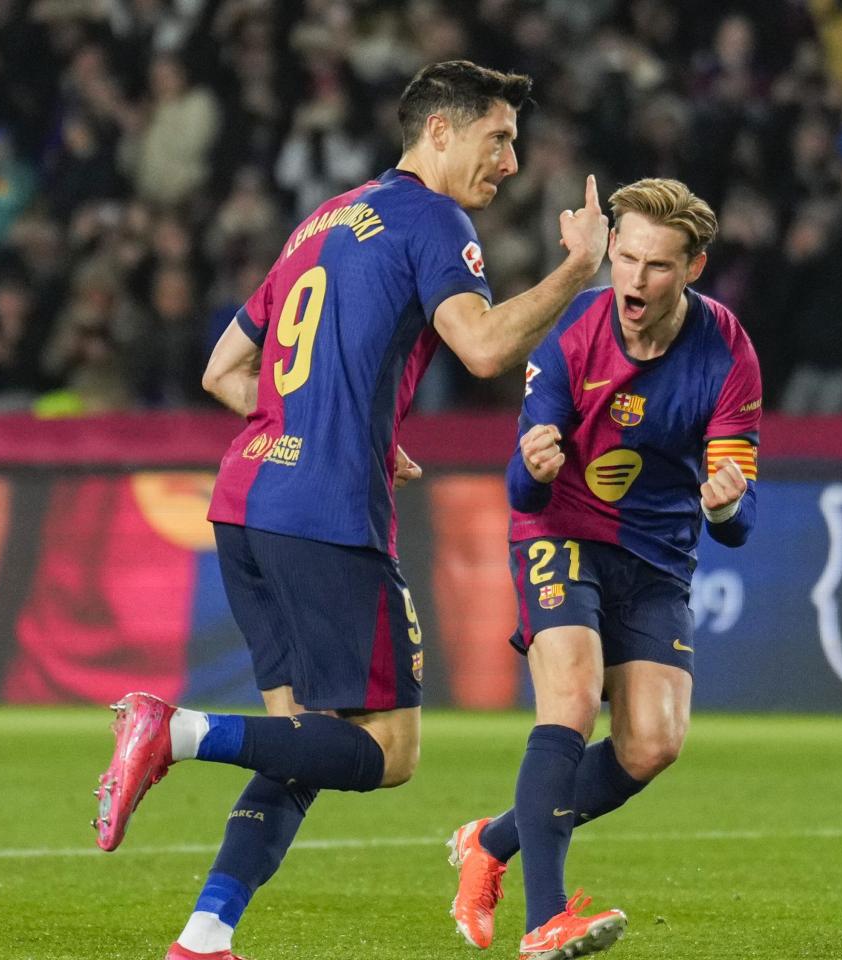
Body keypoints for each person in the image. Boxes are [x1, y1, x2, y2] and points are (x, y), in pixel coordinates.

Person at [90, 60, 611, 960]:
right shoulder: (431, 219)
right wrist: (579, 270)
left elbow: (224, 370)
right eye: (500, 139)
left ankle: (204, 937)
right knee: (388, 753)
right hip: (325, 512)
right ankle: (176, 728)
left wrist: (335, 422)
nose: (512, 163)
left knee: (305, 744)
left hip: (247, 498)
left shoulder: (320, 220)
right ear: (439, 133)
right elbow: (482, 348)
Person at [446, 178, 761, 960]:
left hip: (657, 556)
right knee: (573, 698)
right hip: (559, 531)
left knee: (652, 744)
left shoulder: (727, 350)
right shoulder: (572, 333)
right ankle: (544, 919)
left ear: (693, 267)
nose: (634, 280)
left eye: (657, 265)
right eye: (624, 258)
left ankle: (490, 841)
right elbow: (520, 489)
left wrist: (723, 505)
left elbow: (739, 524)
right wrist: (534, 463)